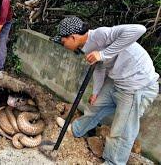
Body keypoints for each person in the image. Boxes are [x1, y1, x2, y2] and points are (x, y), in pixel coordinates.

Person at [54, 17, 159, 164]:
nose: (63, 44)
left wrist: (102, 54)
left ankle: (113, 162)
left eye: (63, 41)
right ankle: (76, 130)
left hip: (136, 84)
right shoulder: (86, 46)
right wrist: (96, 92)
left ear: (73, 37)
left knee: (122, 129)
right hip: (117, 79)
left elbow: (139, 29)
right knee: (95, 106)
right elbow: (99, 67)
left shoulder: (100, 34)